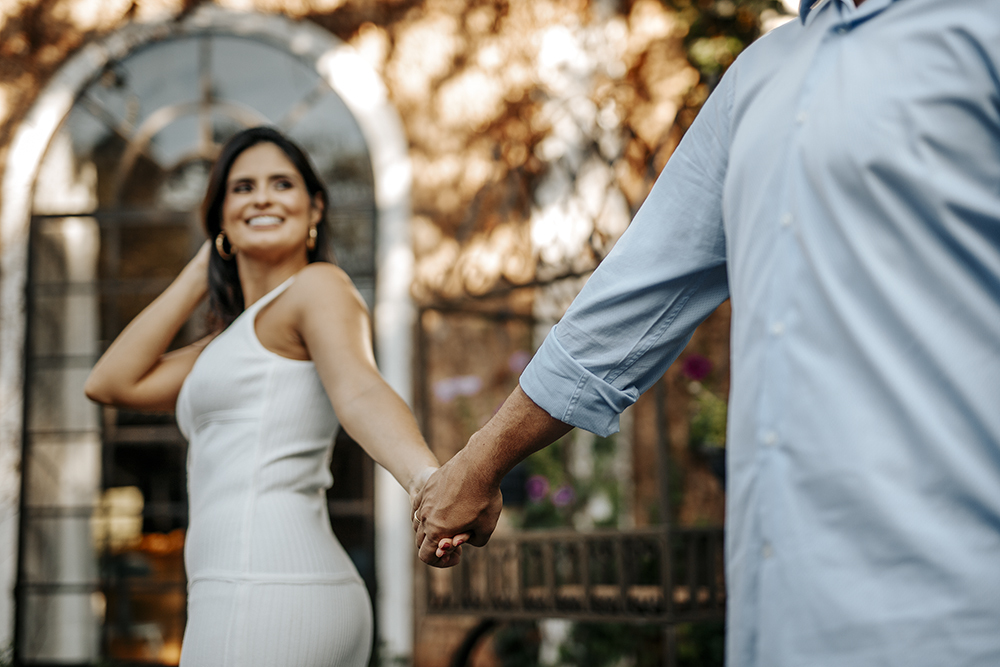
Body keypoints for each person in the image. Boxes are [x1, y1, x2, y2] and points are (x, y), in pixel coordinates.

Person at [414, 0, 1000, 665]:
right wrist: (480, 461)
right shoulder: (761, 75)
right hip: (784, 606)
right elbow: (636, 294)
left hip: (963, 597)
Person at [85, 126, 458, 666]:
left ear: (314, 210)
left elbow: (359, 388)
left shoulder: (317, 288)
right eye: (241, 189)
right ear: (219, 216)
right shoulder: (230, 342)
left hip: (267, 585)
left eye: (281, 183)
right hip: (242, 589)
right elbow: (109, 382)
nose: (261, 196)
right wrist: (204, 266)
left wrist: (427, 482)